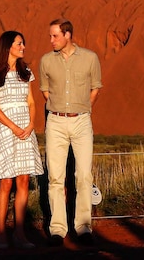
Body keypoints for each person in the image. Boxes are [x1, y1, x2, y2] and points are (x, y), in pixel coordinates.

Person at [39, 18, 102, 246]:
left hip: (82, 121)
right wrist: (59, 109)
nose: (51, 40)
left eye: (55, 36)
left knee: (84, 175)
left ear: (67, 35)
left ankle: (83, 227)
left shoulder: (90, 58)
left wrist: (82, 108)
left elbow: (96, 87)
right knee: (55, 177)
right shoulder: (46, 61)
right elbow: (45, 92)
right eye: (50, 36)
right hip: (55, 121)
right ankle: (57, 229)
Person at [0, 30, 45, 249]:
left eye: (23, 43)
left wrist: (30, 125)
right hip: (6, 129)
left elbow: (31, 102)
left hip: (25, 130)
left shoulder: (25, 71)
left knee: (24, 181)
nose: (23, 47)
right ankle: (1, 233)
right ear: (8, 46)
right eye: (19, 43)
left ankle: (20, 233)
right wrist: (13, 126)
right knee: (6, 182)